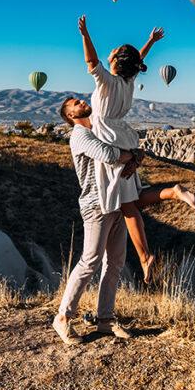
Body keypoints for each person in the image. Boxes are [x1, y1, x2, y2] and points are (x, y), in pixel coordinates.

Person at [78, 16, 195, 284]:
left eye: (113, 53)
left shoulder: (107, 82)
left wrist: (85, 34)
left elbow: (90, 62)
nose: (109, 53)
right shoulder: (129, 82)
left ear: (115, 62)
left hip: (109, 139)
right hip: (124, 136)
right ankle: (172, 192)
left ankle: (145, 257)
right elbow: (136, 60)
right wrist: (150, 43)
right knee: (132, 199)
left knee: (126, 205)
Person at [53, 96, 136, 345]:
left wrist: (130, 154)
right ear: (70, 115)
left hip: (117, 201)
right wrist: (130, 155)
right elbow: (108, 154)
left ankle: (105, 319)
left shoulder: (100, 129)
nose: (81, 101)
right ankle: (63, 317)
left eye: (80, 100)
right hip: (95, 205)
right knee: (90, 261)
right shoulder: (79, 135)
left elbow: (123, 148)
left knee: (116, 262)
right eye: (75, 103)